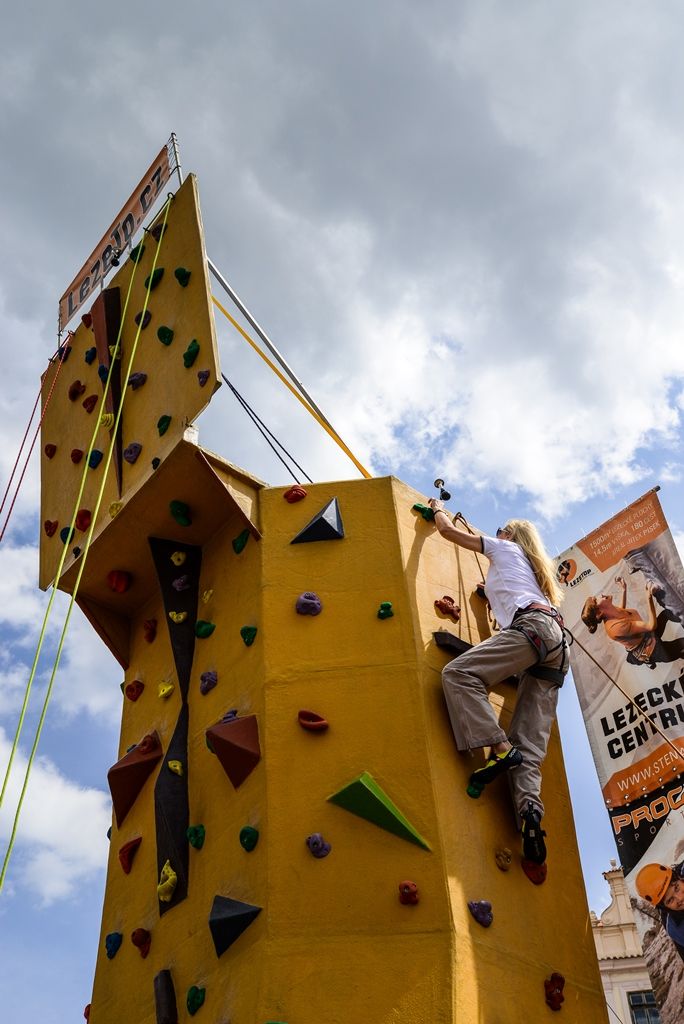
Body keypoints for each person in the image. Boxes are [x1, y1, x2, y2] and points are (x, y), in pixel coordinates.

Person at [428, 500, 567, 865]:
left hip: (532, 632)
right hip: (554, 647)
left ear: (508, 535)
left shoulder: (505, 548)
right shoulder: (532, 576)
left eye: (501, 529)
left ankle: (501, 749)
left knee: (458, 674)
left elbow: (446, 531)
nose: (498, 533)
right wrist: (488, 593)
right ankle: (530, 818)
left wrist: (436, 507)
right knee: (530, 749)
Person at [581, 577, 684, 668]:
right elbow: (651, 626)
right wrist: (648, 597)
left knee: (667, 613)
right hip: (654, 650)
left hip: (648, 635)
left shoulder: (611, 612)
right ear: (599, 612)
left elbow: (622, 611)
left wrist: (624, 589)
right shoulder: (615, 628)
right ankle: (650, 660)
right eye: (596, 600)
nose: (601, 595)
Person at [636, 862, 684, 961]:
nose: (680, 898)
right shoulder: (675, 927)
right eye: (670, 900)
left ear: (679, 878)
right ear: (665, 907)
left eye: (676, 888)